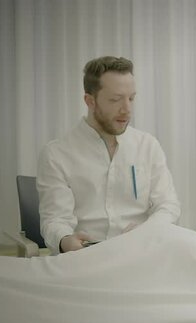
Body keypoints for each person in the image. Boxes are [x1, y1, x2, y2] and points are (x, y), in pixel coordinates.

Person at [37, 56, 181, 255]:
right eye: (115, 100)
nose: (127, 109)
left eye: (131, 98)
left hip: (142, 252)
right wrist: (64, 240)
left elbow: (168, 205)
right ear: (90, 101)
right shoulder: (56, 154)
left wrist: (148, 231)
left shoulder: (148, 146)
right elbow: (55, 220)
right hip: (87, 257)